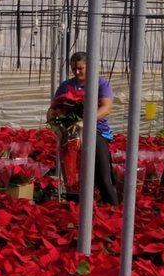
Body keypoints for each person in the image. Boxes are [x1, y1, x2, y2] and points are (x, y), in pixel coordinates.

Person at [47, 51, 119, 206]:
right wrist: (54, 126)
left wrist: (85, 122)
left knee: (102, 178)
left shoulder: (101, 83)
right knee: (72, 179)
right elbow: (52, 110)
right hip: (71, 135)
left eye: (81, 68)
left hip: (96, 132)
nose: (77, 72)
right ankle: (74, 211)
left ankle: (114, 211)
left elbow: (106, 108)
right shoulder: (66, 86)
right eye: (74, 69)